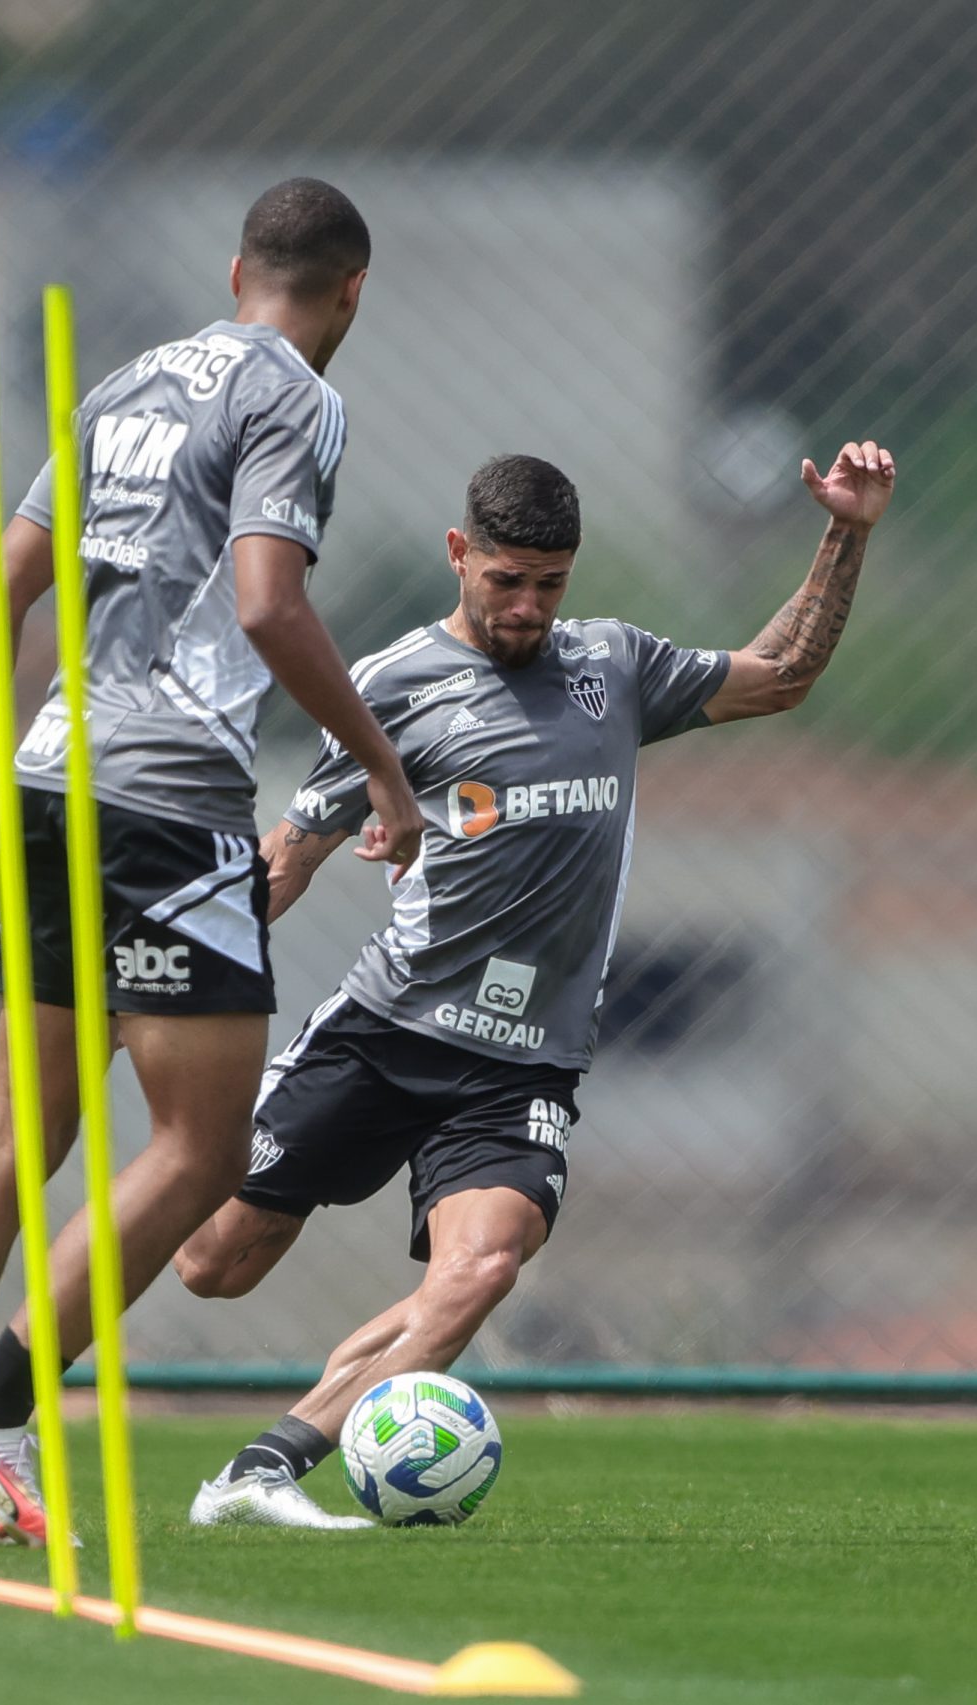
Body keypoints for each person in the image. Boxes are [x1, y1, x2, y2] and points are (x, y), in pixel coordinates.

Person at [168, 442, 892, 1527]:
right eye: (506, 579)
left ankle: (266, 1467)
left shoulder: (613, 666)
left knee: (482, 1268)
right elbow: (295, 850)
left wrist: (849, 528)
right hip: (385, 1026)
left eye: (549, 584)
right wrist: (175, 969)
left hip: (525, 1064)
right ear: (460, 554)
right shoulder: (393, 684)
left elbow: (779, 675)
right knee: (212, 1262)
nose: (527, 606)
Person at [0, 179, 424, 1547]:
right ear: (351, 291)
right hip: (167, 801)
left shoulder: (128, 383)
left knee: (23, 1130)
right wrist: (381, 768)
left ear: (238, 271)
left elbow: (7, 584)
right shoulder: (296, 394)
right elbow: (270, 603)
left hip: (48, 781)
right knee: (205, 1141)